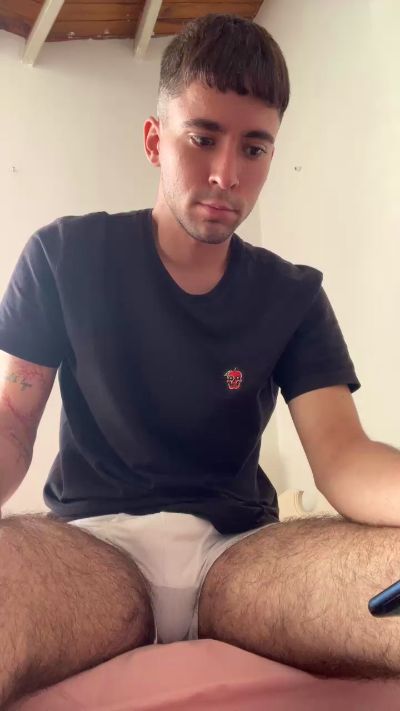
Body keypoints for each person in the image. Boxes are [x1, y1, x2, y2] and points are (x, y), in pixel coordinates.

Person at [0, 11, 399, 708]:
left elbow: (343, 456)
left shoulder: (294, 295)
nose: (226, 175)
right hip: (95, 553)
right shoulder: (64, 257)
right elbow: (10, 422)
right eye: (203, 138)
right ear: (155, 140)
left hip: (239, 559)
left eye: (254, 148)